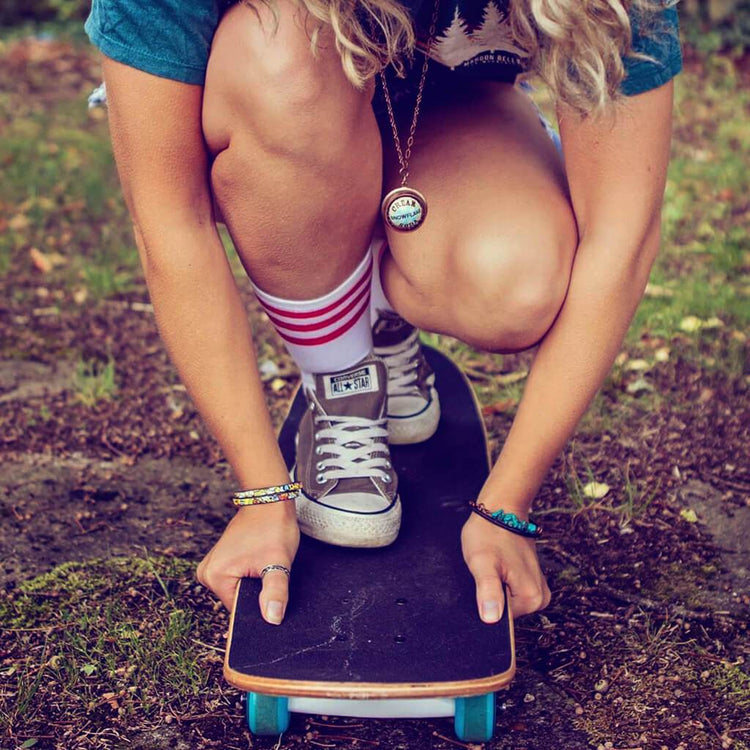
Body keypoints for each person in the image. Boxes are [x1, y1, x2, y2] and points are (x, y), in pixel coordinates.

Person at [84, 0, 681, 627]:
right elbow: (168, 223)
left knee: (516, 283)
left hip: (450, 115)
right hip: (285, 106)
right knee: (277, 54)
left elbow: (623, 236)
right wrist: (263, 493)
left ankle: (375, 311)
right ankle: (341, 377)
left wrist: (507, 504)